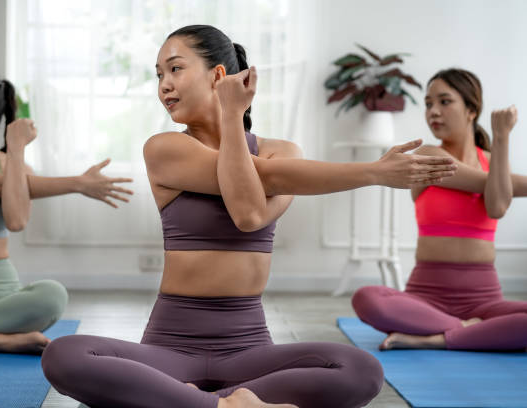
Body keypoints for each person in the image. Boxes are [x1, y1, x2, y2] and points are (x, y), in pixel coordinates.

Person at [40, 25, 457, 408]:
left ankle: (184, 403)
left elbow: (250, 212)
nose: (164, 85)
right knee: (64, 355)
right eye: (158, 75)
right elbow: (252, 196)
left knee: (363, 370)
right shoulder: (164, 148)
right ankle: (227, 405)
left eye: (175, 68)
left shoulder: (284, 152)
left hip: (249, 348)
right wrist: (373, 172)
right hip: (169, 345)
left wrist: (231, 118)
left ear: (218, 76)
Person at [0, 66, 133, 354]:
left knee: (52, 294)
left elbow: (16, 221)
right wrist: (77, 183)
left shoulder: (14, 167)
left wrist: (16, 149)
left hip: (0, 296)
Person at [352, 68, 527, 351]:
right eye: (429, 103)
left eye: (444, 102)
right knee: (366, 297)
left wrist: (502, 138)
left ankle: (439, 337)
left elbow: (496, 207)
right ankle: (474, 331)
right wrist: (503, 177)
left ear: (472, 110)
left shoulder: (495, 164)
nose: (433, 111)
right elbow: (495, 189)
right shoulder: (426, 156)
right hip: (426, 297)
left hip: (484, 299)